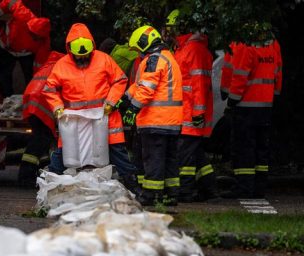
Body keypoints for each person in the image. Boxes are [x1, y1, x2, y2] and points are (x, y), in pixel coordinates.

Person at [42, 23, 138, 192]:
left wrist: (111, 101)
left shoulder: (104, 59)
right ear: (70, 50)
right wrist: (57, 107)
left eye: (85, 55)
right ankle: (48, 184)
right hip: (75, 119)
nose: (82, 58)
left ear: (91, 48)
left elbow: (120, 80)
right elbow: (49, 88)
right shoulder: (62, 65)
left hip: (103, 116)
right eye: (79, 56)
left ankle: (133, 185)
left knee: (117, 150)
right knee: (64, 152)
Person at [118, 25, 183, 206]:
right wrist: (124, 99)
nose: (138, 53)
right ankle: (171, 195)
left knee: (153, 159)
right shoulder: (168, 57)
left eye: (138, 49)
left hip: (155, 120)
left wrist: (132, 109)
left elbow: (146, 89)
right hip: (172, 120)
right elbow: (140, 85)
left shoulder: (153, 60)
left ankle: (151, 196)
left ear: (144, 44)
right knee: (169, 160)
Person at [221, 30, 282, 199]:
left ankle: (244, 188)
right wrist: (274, 94)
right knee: (261, 149)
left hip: (246, 106)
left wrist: (231, 100)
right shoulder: (273, 44)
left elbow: (240, 76)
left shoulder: (244, 45)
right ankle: (259, 188)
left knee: (244, 149)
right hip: (266, 105)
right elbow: (278, 72)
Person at [167, 10, 218, 202]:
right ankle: (210, 188)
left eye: (171, 28)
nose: (169, 32)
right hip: (185, 112)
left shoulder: (193, 50)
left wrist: (198, 113)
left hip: (190, 115)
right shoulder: (184, 48)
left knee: (185, 157)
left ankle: (185, 191)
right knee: (196, 155)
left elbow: (198, 84)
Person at [0, 0, 49, 97]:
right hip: (6, 48)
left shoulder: (43, 41)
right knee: (3, 77)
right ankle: (6, 99)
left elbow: (40, 64)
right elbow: (10, 2)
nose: (34, 38)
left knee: (31, 78)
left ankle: (30, 98)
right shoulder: (24, 15)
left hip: (26, 54)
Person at [19, 50, 63, 187]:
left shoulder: (48, 65)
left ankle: (41, 173)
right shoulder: (62, 68)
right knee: (38, 143)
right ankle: (25, 177)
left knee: (42, 141)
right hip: (42, 105)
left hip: (33, 104)